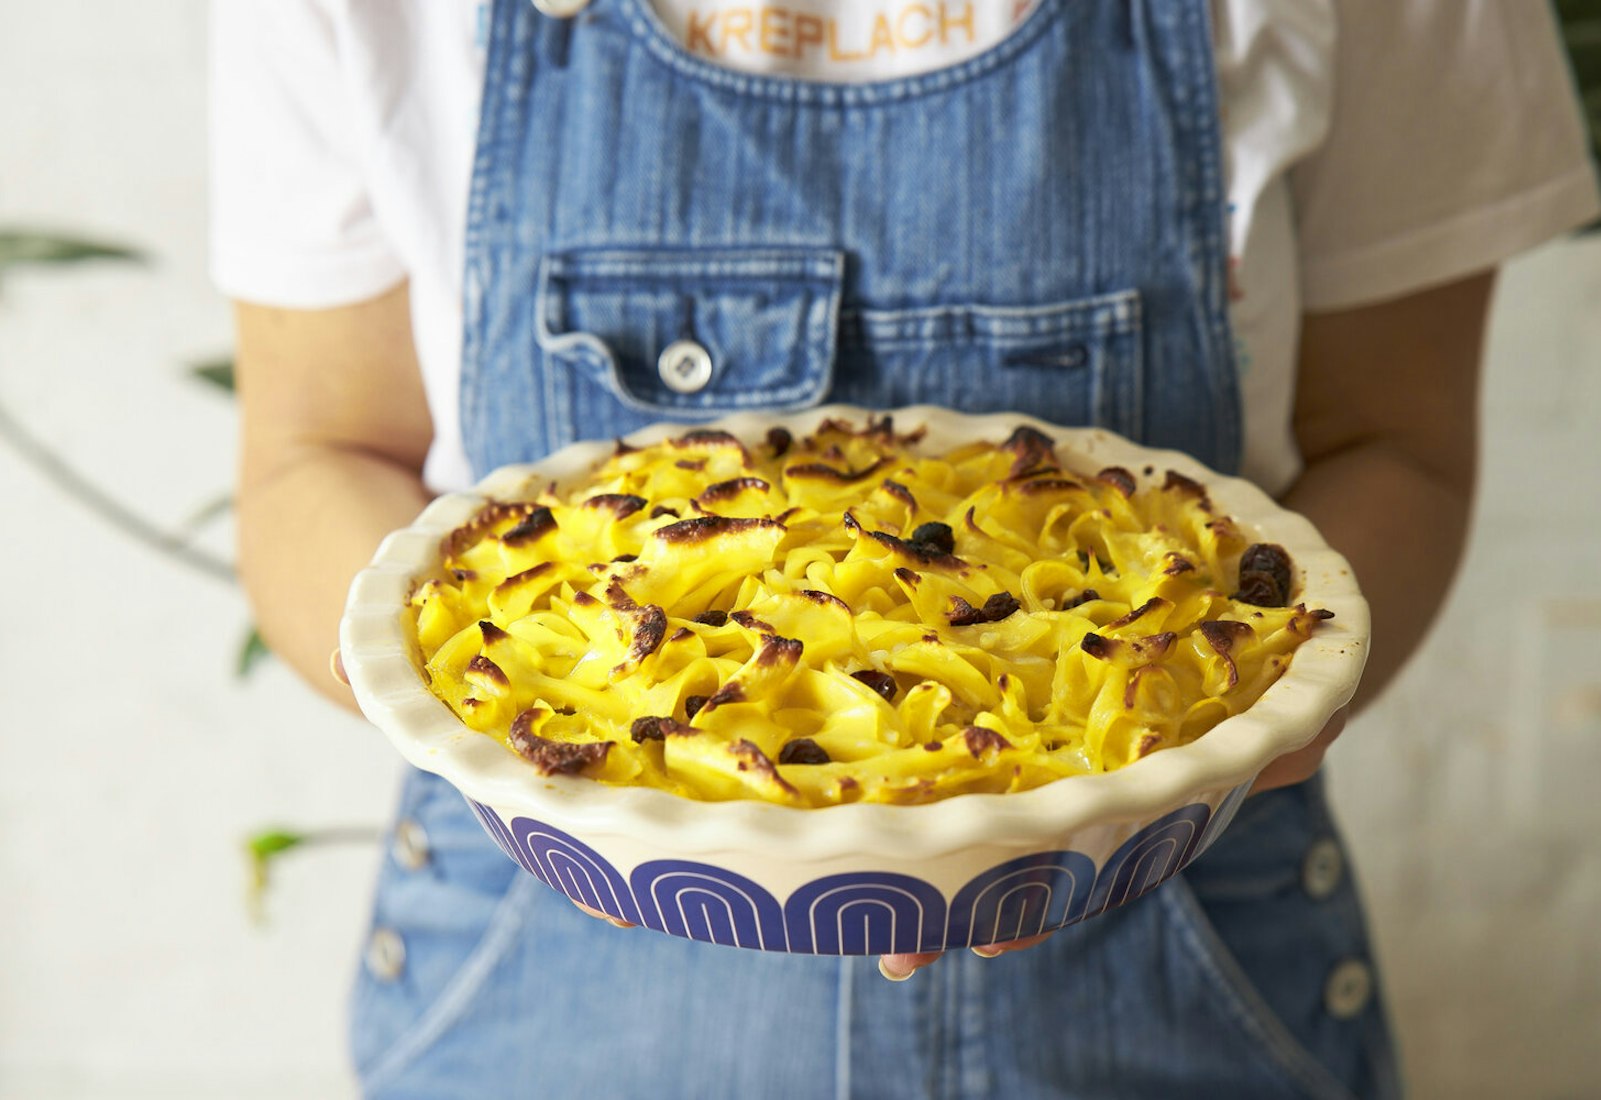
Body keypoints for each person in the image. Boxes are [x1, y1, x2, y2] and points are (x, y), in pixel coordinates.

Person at [212, 1, 1599, 1096]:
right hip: (542, 986)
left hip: (1175, 973)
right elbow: (311, 457)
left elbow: (1395, 444)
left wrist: (1226, 747)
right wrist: (530, 762)